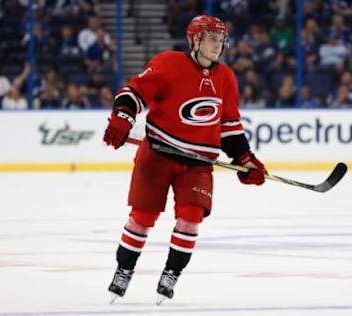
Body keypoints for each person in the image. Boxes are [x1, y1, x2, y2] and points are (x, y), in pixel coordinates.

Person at [103, 15, 267, 305]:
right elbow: (134, 92)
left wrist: (245, 158)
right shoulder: (169, 63)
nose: (218, 44)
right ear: (195, 40)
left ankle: (171, 274)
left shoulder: (226, 77)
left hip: (198, 162)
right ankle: (124, 270)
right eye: (212, 38)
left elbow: (229, 125)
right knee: (142, 217)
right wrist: (123, 117)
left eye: (221, 39)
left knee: (191, 219)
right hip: (157, 155)